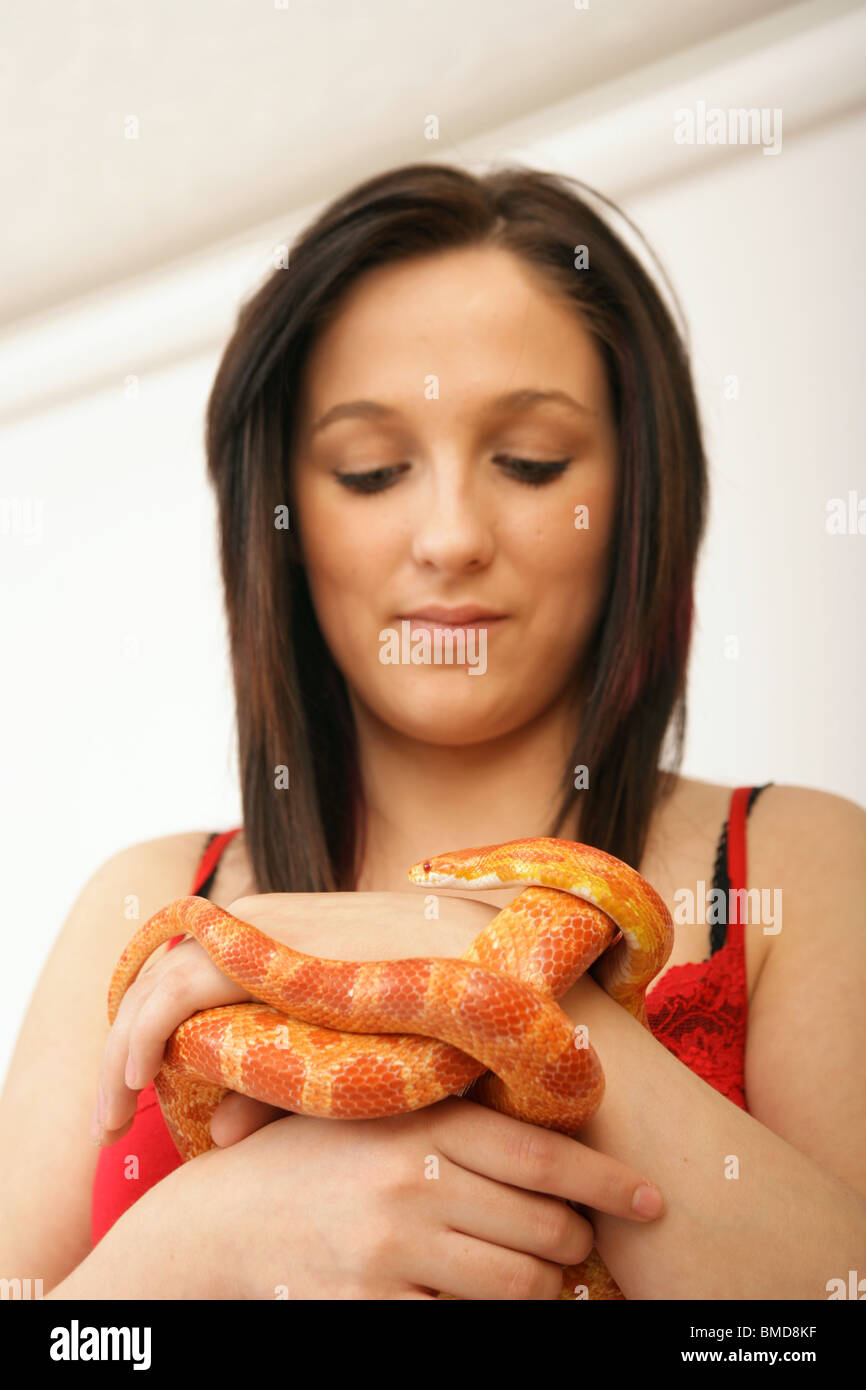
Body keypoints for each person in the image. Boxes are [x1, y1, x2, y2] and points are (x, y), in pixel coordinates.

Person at [2, 163, 864, 1300]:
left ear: (636, 492)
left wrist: (461, 959)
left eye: (528, 463)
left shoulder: (792, 868)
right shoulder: (149, 901)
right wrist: (195, 1246)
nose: (450, 534)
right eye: (370, 471)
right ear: (283, 515)